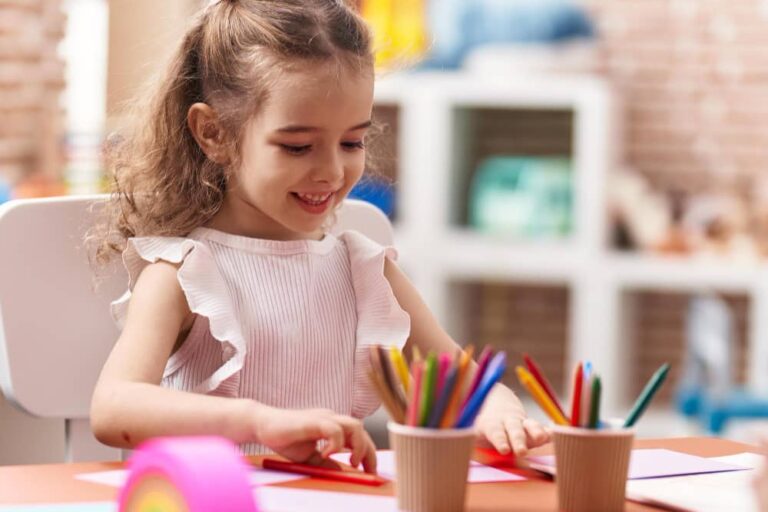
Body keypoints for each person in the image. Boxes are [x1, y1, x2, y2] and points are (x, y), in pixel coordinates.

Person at [89, 0, 548, 474]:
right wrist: (258, 422)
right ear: (214, 133)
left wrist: (496, 409)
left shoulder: (365, 269)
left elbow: (468, 383)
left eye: (352, 142)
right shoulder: (186, 273)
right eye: (298, 146)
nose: (331, 171)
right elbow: (114, 409)